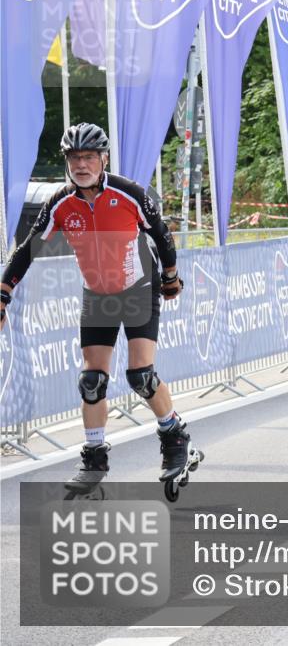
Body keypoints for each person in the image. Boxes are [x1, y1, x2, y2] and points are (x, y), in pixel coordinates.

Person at [0, 123, 202, 500]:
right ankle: (94, 458)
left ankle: (175, 438)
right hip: (98, 295)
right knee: (91, 382)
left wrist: (171, 276)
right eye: (75, 158)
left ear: (103, 159)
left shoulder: (129, 193)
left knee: (141, 376)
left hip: (139, 288)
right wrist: (4, 291)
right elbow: (28, 249)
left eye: (89, 157)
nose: (81, 164)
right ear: (67, 162)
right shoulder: (60, 202)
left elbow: (161, 232)